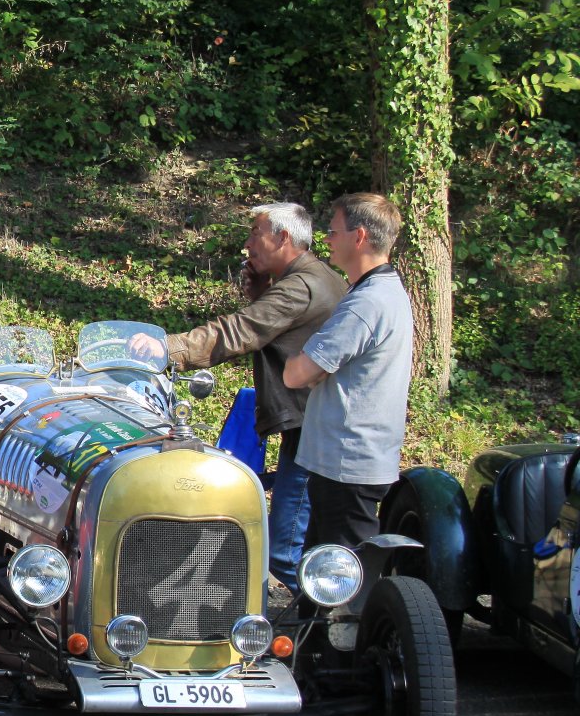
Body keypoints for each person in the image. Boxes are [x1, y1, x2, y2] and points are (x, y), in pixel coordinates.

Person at [128, 203, 346, 594]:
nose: (247, 244)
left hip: (314, 430)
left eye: (255, 234)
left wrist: (167, 347)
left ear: (282, 237)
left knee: (285, 550)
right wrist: (263, 292)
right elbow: (275, 326)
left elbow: (240, 331)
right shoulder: (313, 277)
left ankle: (318, 620)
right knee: (302, 537)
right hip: (314, 423)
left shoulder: (301, 286)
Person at [285, 192, 414, 550]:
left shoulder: (366, 303)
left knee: (345, 575)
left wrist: (304, 360)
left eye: (333, 231)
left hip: (347, 464)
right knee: (322, 569)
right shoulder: (383, 290)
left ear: (359, 237)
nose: (326, 239)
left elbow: (296, 374)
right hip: (350, 460)